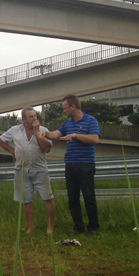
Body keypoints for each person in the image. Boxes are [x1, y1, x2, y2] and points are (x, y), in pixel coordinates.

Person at [38, 95, 101, 237]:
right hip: (70, 164)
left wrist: (76, 135)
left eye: (65, 108)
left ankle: (93, 227)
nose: (63, 111)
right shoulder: (67, 123)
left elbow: (95, 139)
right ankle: (78, 227)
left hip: (85, 164)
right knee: (73, 198)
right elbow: (55, 135)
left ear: (73, 106)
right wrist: (45, 133)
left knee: (88, 196)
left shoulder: (91, 120)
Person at [0, 106, 55, 234]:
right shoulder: (14, 130)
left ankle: (50, 227)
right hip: (21, 169)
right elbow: (0, 140)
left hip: (39, 169)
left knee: (47, 198)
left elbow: (47, 149)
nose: (34, 118)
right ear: (23, 119)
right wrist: (12, 151)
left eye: (35, 115)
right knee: (26, 200)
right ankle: (30, 228)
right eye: (31, 116)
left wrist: (37, 132)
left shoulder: (43, 130)